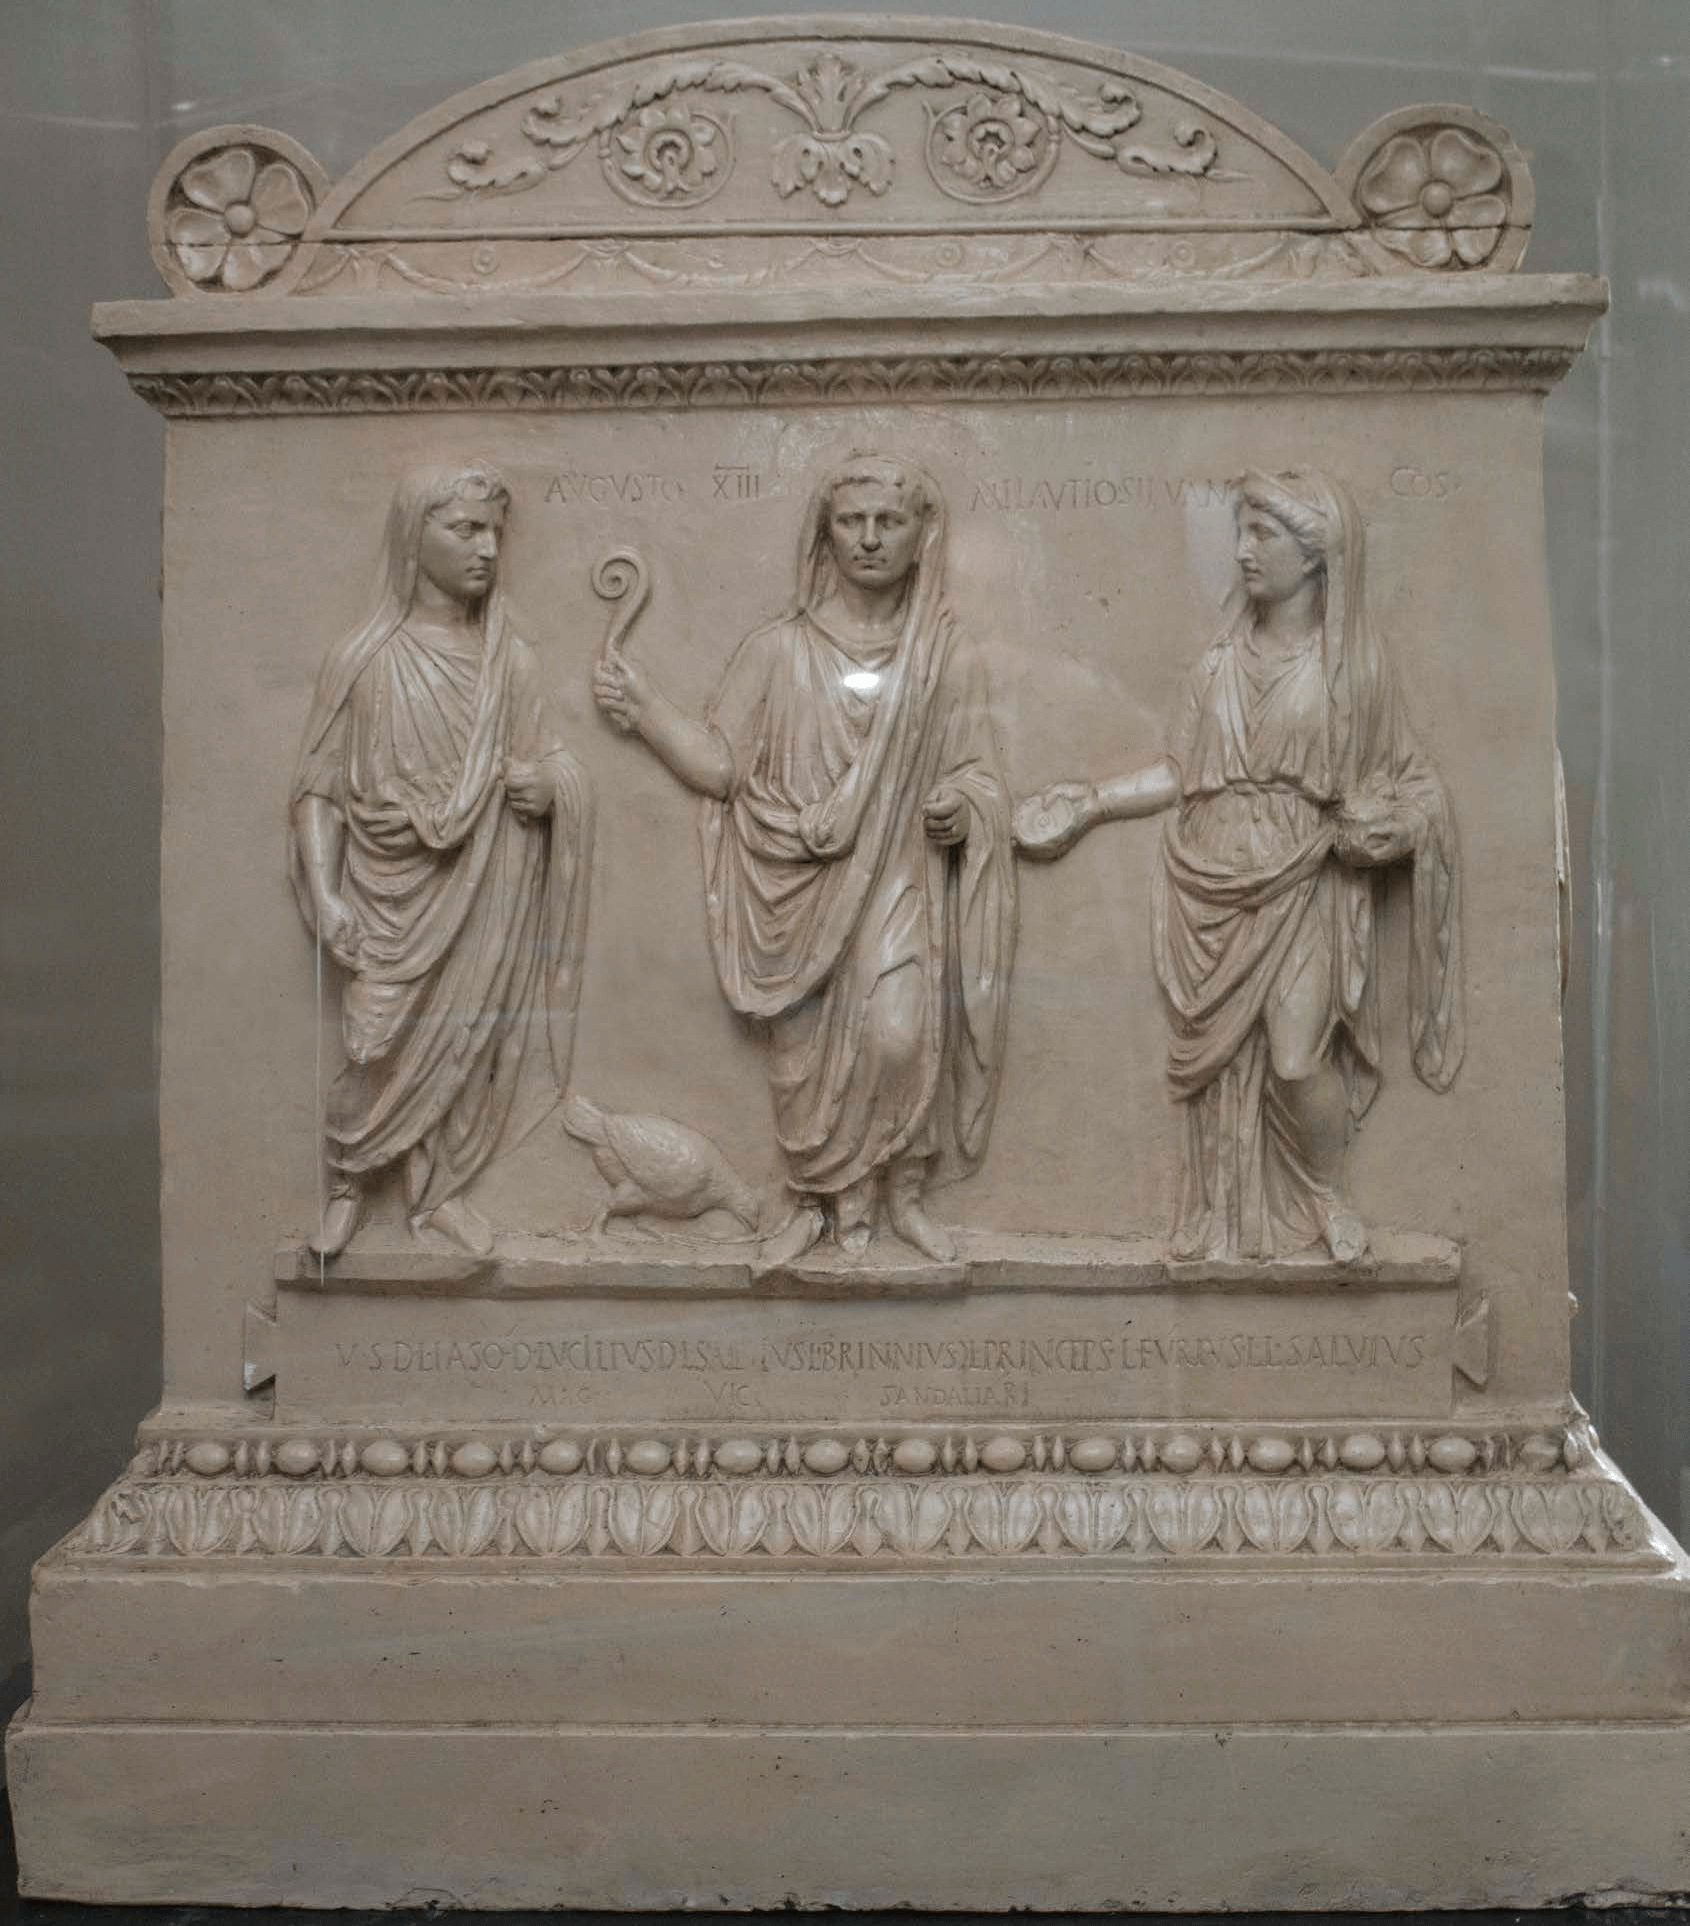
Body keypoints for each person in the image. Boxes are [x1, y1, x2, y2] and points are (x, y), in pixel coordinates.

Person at [1016, 467, 1462, 1264]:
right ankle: (1229, 1215)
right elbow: (1180, 772)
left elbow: (1412, 783)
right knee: (1222, 1070)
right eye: (1242, 533)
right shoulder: (1216, 666)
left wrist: (1389, 829)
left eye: (1265, 534)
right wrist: (1087, 801)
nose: (1244, 552)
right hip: (1211, 883)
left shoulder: (1353, 671)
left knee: (1295, 1062)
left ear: (1317, 555)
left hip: (1306, 883)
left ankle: (1323, 1191)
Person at [593, 455, 1015, 1267]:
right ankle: (821, 1202)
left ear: (921, 537)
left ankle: (903, 1194)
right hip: (792, 888)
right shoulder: (778, 650)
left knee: (898, 1034)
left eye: (887, 523)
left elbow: (980, 774)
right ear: (825, 533)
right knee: (802, 1059)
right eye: (851, 521)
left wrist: (963, 808)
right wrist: (645, 712)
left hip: (896, 881)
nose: (868, 539)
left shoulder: (943, 660)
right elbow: (721, 765)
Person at [290, 460, 594, 1258]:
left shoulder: (511, 665)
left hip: (487, 886)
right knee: (373, 1042)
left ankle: (436, 1196)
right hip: (388, 895)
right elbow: (318, 791)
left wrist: (547, 788)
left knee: (468, 1040)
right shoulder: (365, 660)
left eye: (495, 532)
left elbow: (555, 762)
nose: (488, 549)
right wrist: (325, 894)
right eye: (465, 529)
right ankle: (351, 1180)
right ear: (414, 535)